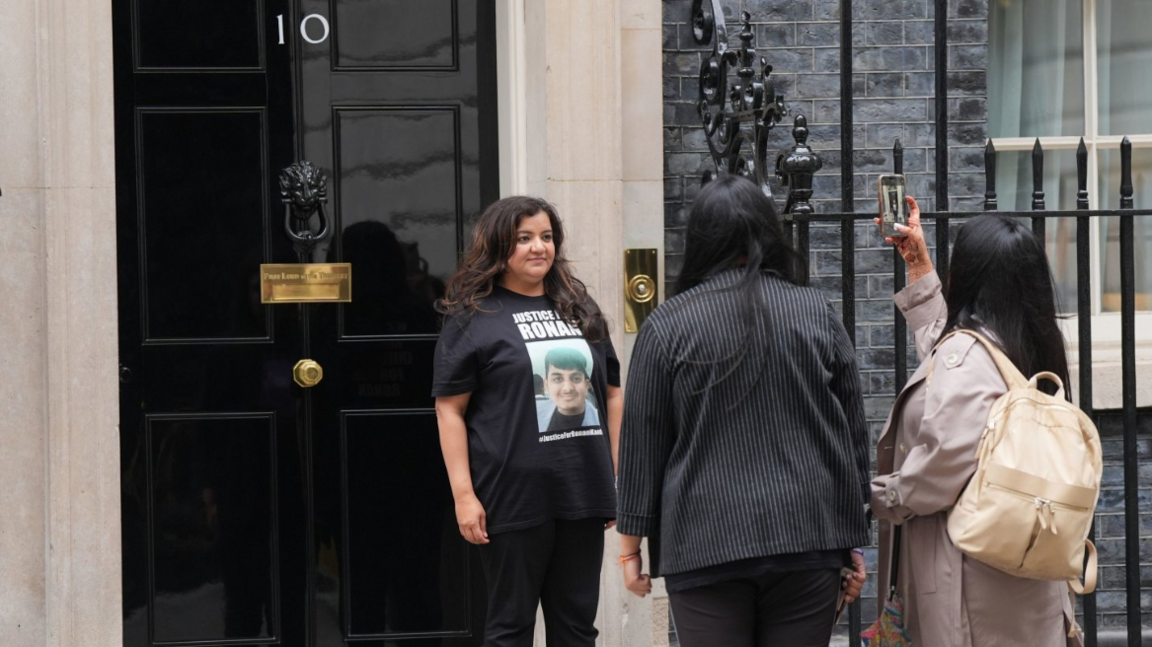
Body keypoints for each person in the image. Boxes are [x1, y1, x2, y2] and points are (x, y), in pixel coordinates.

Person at [616, 175, 869, 647]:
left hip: (704, 539)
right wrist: (853, 536)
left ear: (699, 240)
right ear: (769, 233)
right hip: (808, 533)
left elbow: (642, 443)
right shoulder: (815, 311)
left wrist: (630, 550)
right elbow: (852, 432)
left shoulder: (667, 326)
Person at [870, 197, 1080, 646]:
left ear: (968, 276)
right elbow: (954, 367)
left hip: (970, 591)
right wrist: (920, 269)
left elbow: (942, 462)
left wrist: (883, 496)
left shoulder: (967, 359)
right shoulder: (1024, 349)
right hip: (1026, 581)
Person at [432, 195, 622, 647]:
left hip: (582, 490)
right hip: (511, 497)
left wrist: (616, 471)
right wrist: (464, 495)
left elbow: (612, 392)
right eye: (524, 238)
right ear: (499, 246)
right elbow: (449, 409)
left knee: (577, 627)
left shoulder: (578, 306)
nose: (539, 247)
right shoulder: (474, 316)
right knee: (509, 628)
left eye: (546, 237)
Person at [536, 347, 601, 431]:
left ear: (586, 385)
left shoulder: (601, 421)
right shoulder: (533, 415)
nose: (567, 389)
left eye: (576, 379)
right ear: (546, 385)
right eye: (557, 379)